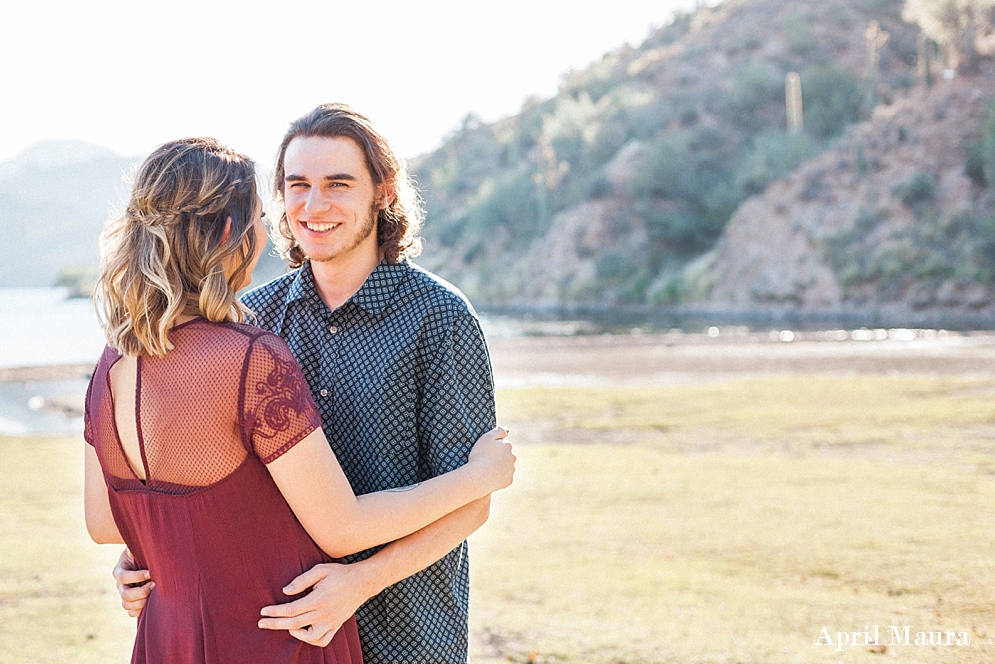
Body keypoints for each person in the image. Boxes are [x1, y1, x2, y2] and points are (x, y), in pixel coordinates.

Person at [85, 136, 515, 664]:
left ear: (384, 193)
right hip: (280, 630)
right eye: (297, 186)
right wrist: (154, 555)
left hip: (408, 632)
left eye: (338, 184)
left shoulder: (442, 319)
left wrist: (359, 583)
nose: (314, 205)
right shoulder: (249, 324)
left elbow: (471, 505)